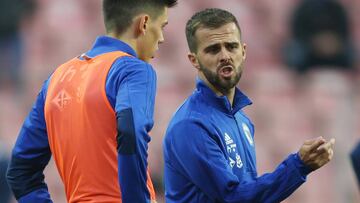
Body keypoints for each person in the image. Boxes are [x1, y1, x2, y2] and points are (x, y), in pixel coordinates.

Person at [6, 0, 177, 202]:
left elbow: (20, 171)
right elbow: (131, 131)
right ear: (144, 23)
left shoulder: (56, 78)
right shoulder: (133, 69)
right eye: (162, 26)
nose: (163, 38)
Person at [163, 8, 335, 203]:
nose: (225, 56)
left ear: (243, 51)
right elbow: (233, 198)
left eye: (231, 46)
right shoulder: (191, 125)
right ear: (194, 60)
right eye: (213, 49)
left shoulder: (241, 119)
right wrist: (298, 166)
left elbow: (248, 191)